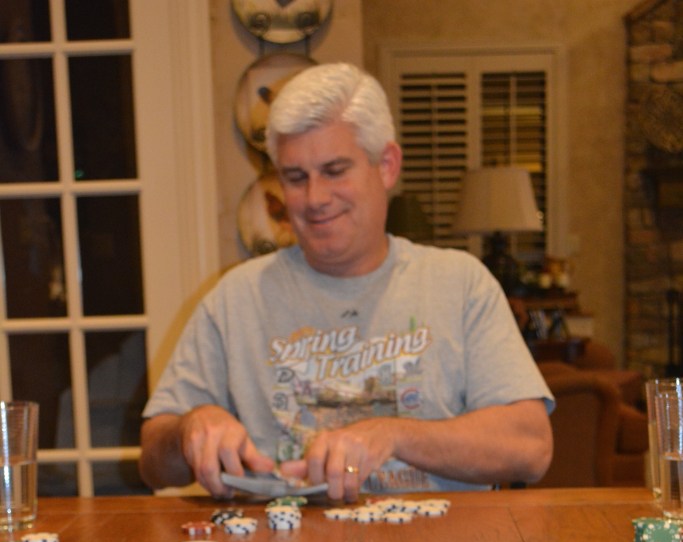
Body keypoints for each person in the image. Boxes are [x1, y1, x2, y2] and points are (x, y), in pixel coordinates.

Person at [140, 62, 554, 502]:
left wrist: (394, 435)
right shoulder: (235, 298)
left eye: (335, 171)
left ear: (387, 166)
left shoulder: (461, 284)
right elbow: (152, 464)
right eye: (295, 178)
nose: (315, 198)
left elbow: (531, 447)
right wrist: (189, 429)